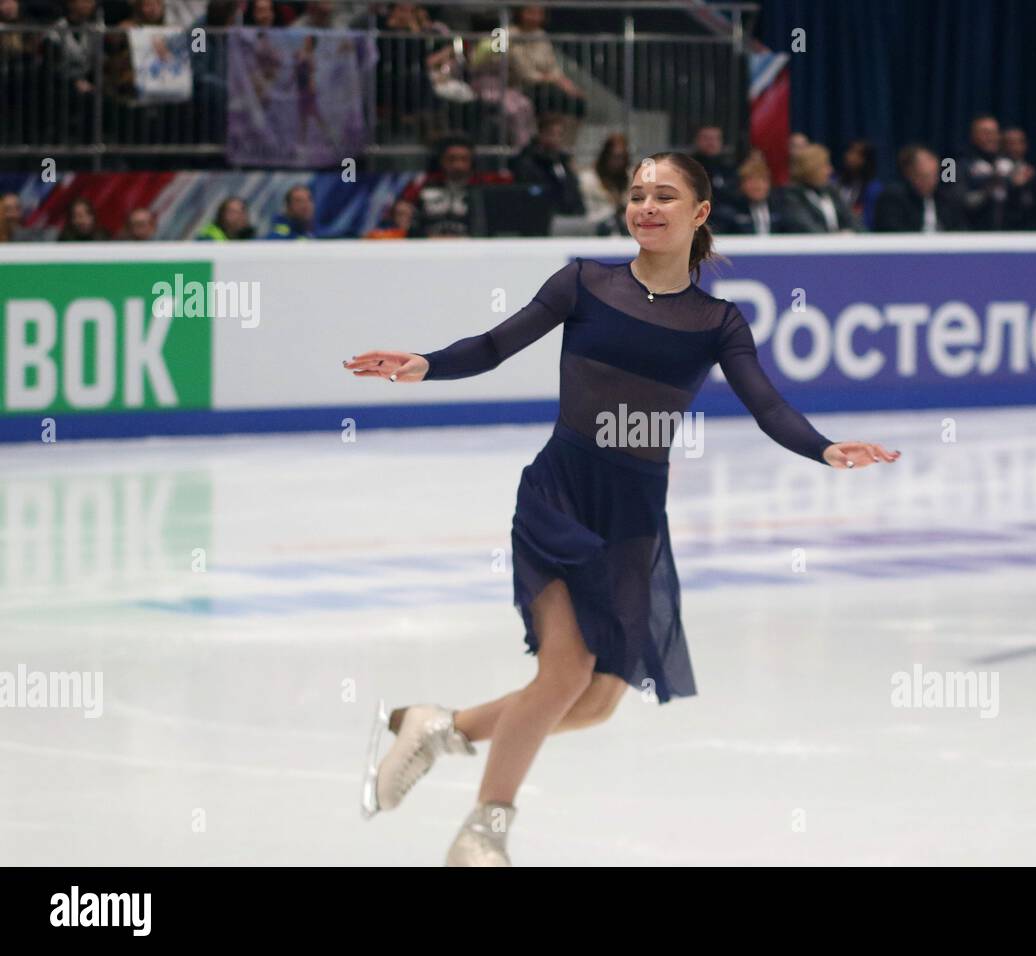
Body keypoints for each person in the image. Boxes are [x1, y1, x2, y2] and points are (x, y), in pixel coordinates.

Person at [344, 152, 900, 866]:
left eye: (665, 196)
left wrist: (823, 449)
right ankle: (484, 830)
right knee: (565, 673)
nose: (647, 206)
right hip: (562, 495)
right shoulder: (585, 283)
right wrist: (425, 363)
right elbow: (493, 345)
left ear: (699, 214)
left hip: (634, 517)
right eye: (637, 194)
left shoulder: (716, 322)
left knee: (597, 700)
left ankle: (437, 726)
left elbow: (766, 404)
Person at [873, 144, 966, 233]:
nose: (931, 181)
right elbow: (893, 233)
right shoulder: (893, 199)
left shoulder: (946, 199)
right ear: (910, 174)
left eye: (935, 175)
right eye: (925, 176)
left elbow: (961, 230)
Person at [782, 143, 861, 233]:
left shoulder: (831, 191)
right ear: (811, 168)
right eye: (825, 166)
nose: (830, 170)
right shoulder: (791, 196)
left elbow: (852, 220)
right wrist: (835, 239)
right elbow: (805, 227)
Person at [711, 153, 793, 235]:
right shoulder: (729, 212)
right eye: (751, 181)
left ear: (769, 184)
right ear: (742, 185)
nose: (757, 186)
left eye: (762, 181)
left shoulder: (780, 208)